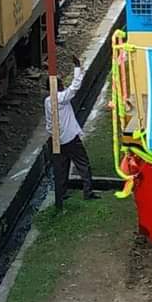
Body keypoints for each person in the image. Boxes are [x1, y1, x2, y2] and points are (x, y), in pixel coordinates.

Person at [44, 54, 100, 209]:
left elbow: (49, 123)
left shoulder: (47, 102)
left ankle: (61, 193)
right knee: (83, 164)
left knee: (62, 166)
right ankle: (88, 192)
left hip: (58, 139)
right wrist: (77, 67)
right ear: (58, 87)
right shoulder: (62, 98)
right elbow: (75, 86)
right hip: (71, 138)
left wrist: (52, 135)